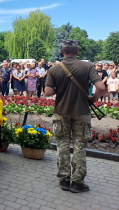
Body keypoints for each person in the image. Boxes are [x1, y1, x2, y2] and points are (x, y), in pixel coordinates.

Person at [45, 39, 104, 193]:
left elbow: (48, 93)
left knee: (62, 145)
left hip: (61, 111)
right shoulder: (87, 66)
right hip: (82, 112)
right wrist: (93, 99)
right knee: (79, 147)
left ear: (62, 51)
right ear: (77, 51)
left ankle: (64, 180)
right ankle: (77, 182)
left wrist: (61, 88)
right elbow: (101, 87)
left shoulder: (54, 69)